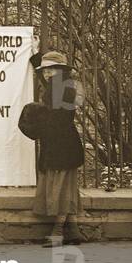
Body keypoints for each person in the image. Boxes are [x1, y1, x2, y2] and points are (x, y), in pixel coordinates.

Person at [19, 50, 86, 247]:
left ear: (59, 69)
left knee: (60, 189)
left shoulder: (60, 87)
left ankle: (58, 232)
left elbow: (57, 116)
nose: (46, 73)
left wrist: (38, 112)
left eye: (50, 69)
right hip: (63, 143)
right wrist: (35, 54)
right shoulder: (61, 84)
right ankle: (73, 231)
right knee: (67, 187)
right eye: (44, 70)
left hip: (60, 145)